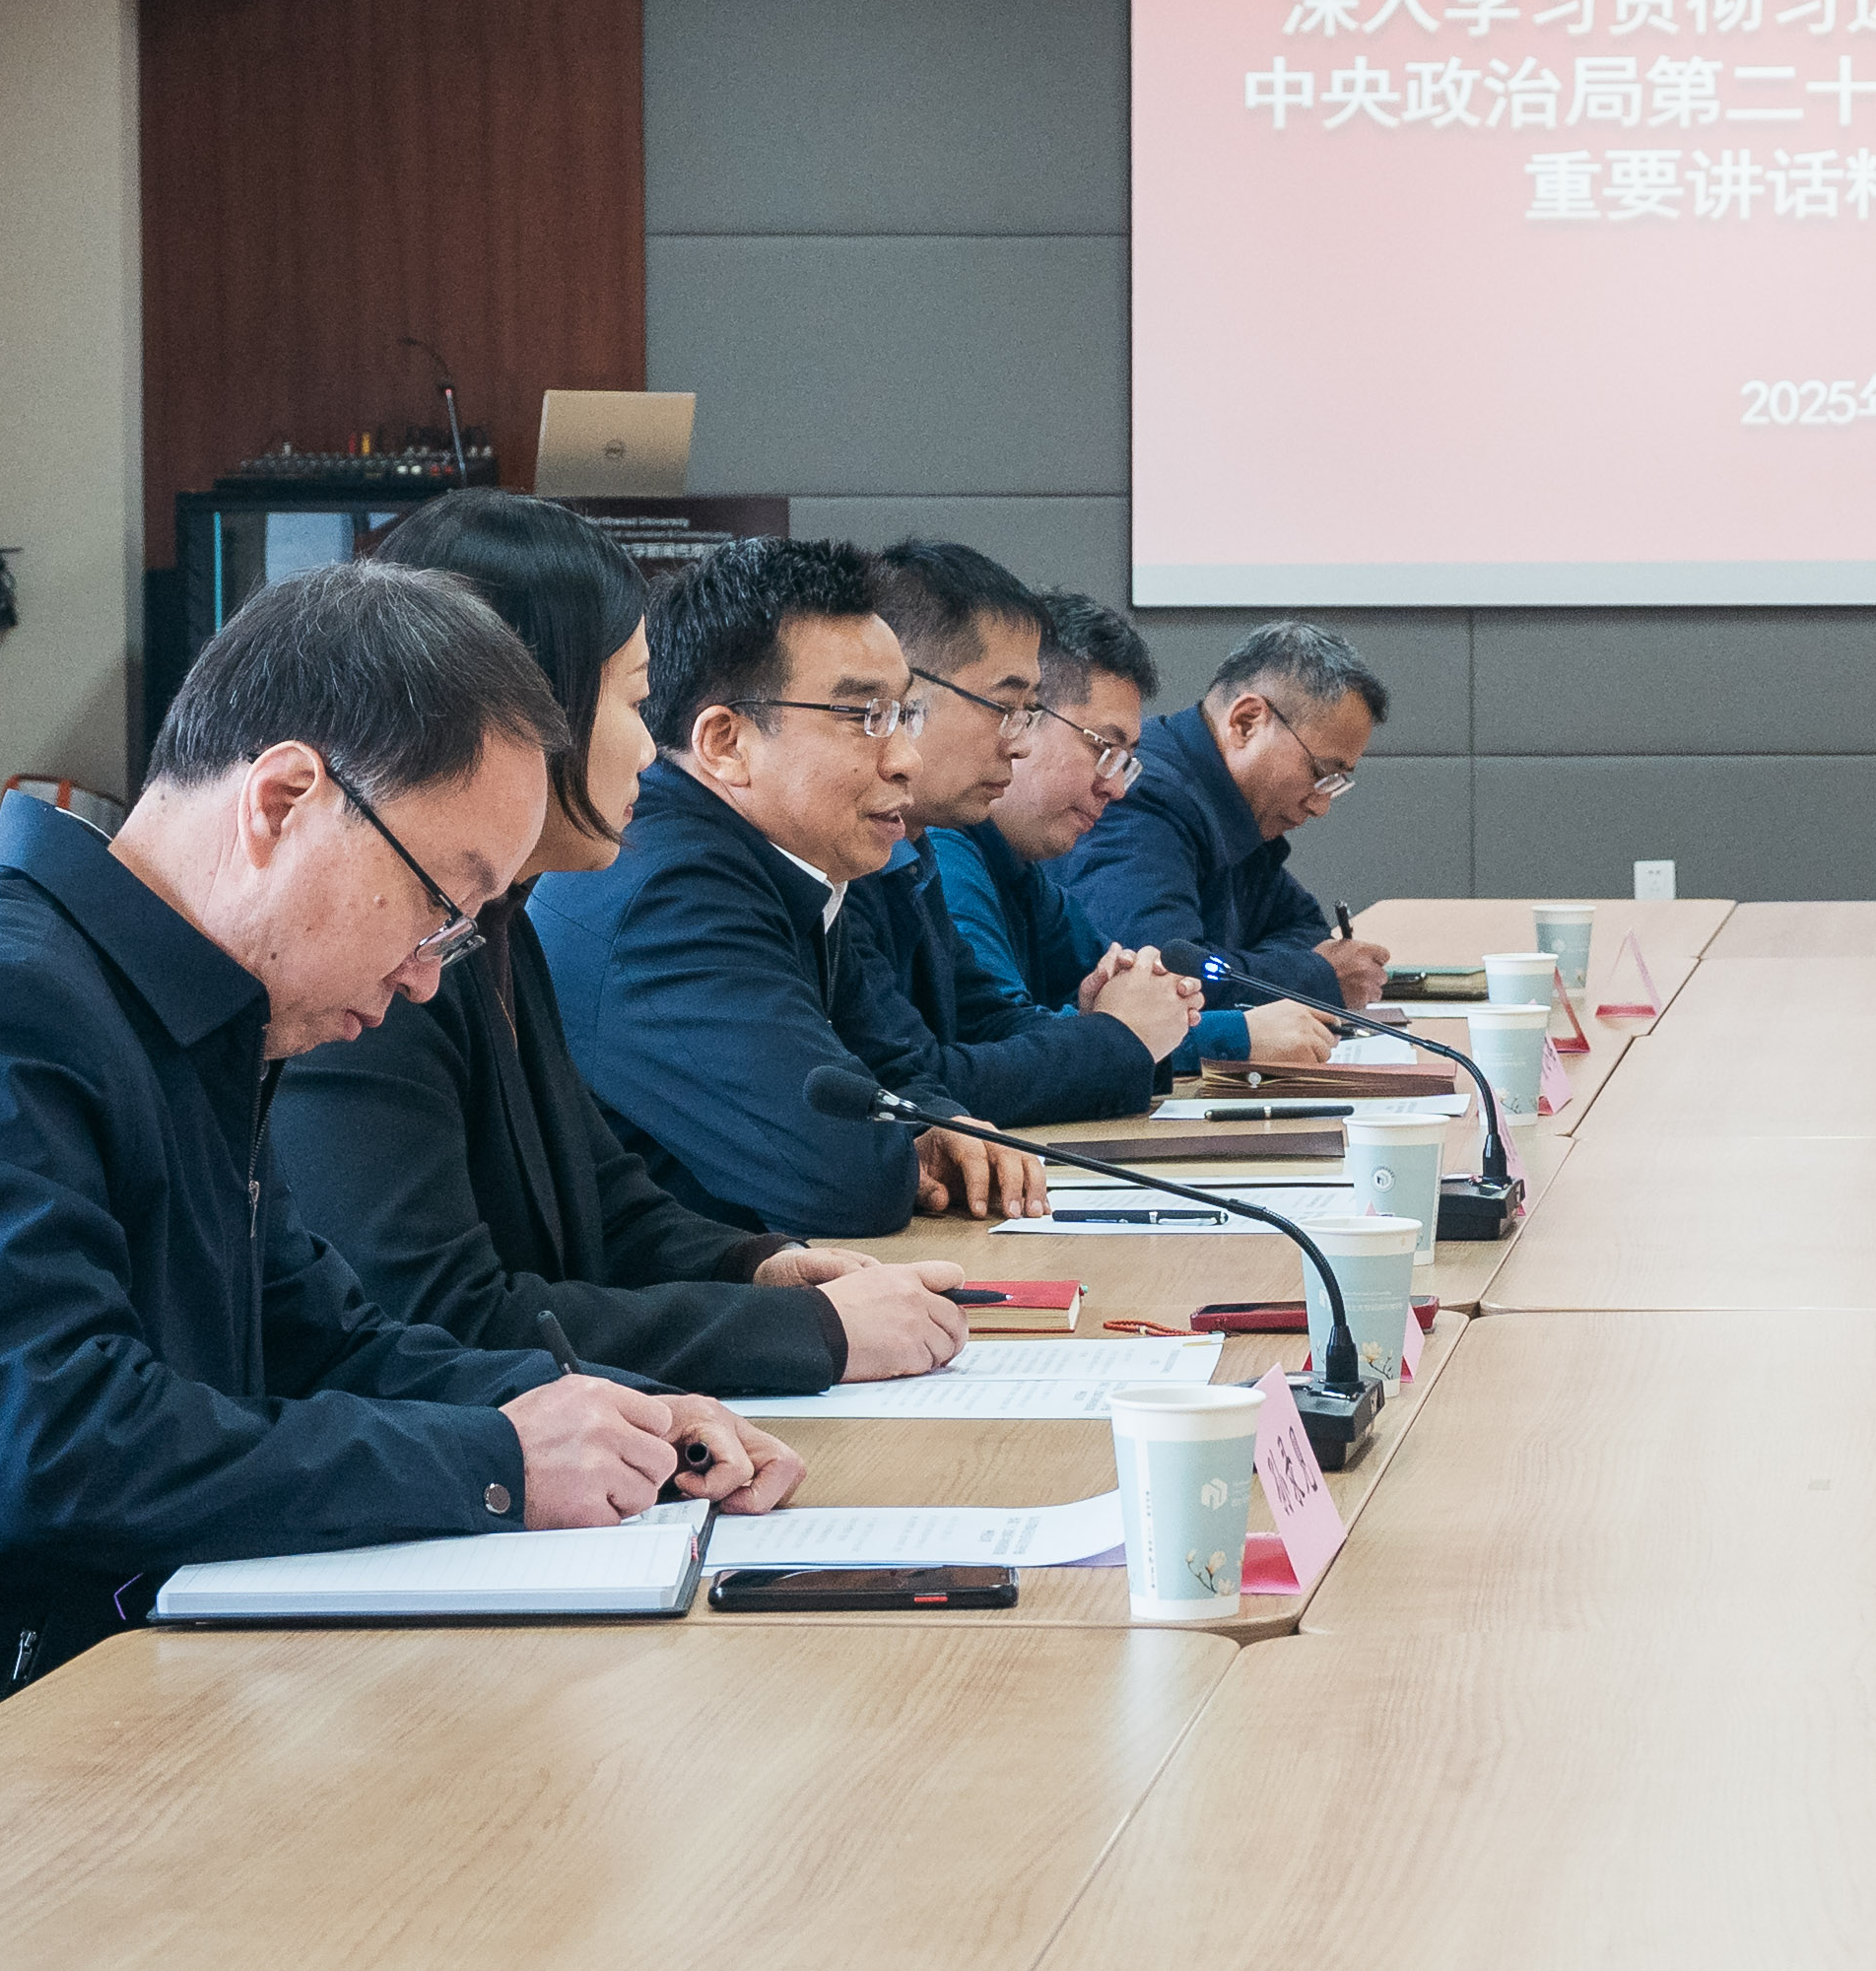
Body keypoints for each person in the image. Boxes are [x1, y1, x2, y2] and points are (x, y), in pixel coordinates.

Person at [0, 563, 800, 1831]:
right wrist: (499, 1461)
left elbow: (323, 1343)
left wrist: (610, 1415)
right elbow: (54, 1450)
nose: (429, 976)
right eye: (440, 904)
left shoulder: (180, 1011)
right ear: (284, 800)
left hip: (45, 1720)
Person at [274, 492, 967, 1400]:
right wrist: (807, 1332)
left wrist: (760, 1267)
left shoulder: (500, 922)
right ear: (515, 708)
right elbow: (434, 1318)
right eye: (636, 702)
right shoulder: (377, 953)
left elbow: (605, 1201)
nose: (649, 748)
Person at [538, 535, 1052, 1244]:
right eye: (865, 717)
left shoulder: (788, 860)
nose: (905, 759)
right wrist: (910, 1145)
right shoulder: (672, 893)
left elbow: (893, 1067)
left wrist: (937, 1126)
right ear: (726, 743)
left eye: (903, 715)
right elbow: (843, 1179)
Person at [848, 539, 1203, 1121]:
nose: (1019, 742)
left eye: (1030, 714)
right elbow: (919, 1084)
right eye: (1007, 709)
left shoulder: (914, 852)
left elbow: (985, 1022)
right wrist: (1118, 1037)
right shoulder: (885, 856)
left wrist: (1113, 1026)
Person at [940, 592, 1338, 1084]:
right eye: (1104, 749)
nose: (1117, 788)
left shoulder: (1020, 871)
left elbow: (1130, 1004)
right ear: (1022, 720)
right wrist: (1234, 1036)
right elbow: (1000, 1045)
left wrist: (1121, 1018)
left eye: (1126, 761)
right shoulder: (946, 855)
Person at [1063, 618, 1387, 1014]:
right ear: (1246, 722)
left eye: (1335, 784)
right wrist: (1316, 977)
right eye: (1320, 773)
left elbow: (1304, 929)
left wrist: (1235, 966)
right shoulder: (1141, 798)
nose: (1320, 806)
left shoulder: (1236, 808)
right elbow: (1164, 977)